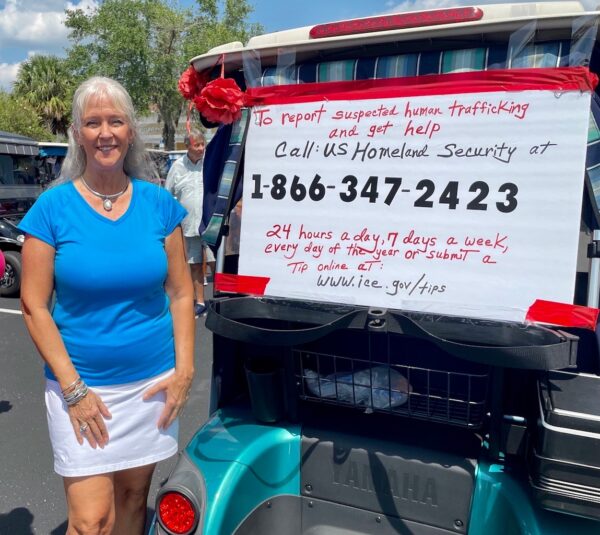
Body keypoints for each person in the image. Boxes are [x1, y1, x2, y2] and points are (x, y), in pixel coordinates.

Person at [18, 76, 195, 535]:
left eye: (115, 121)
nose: (105, 133)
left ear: (130, 131)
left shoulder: (159, 205)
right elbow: (34, 305)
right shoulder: (52, 209)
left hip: (151, 387)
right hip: (81, 389)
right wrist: (74, 392)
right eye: (92, 122)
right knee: (91, 520)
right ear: (77, 133)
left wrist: (185, 372)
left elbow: (180, 292)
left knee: (134, 501)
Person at [165, 129, 215, 317]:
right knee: (195, 264)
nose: (201, 148)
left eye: (203, 144)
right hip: (188, 224)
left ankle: (219, 301)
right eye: (197, 145)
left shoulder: (210, 164)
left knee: (214, 262)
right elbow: (168, 194)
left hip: (210, 223)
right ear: (188, 146)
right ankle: (200, 301)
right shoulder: (177, 167)